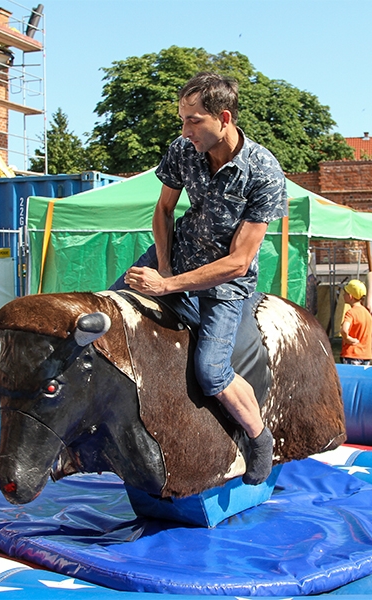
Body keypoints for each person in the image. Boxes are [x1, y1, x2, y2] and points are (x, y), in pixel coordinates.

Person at [116, 72, 287, 485]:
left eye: (194, 120)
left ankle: (258, 437)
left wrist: (167, 286)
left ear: (223, 118)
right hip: (173, 259)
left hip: (225, 284)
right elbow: (163, 211)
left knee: (211, 372)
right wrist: (164, 266)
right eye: (182, 119)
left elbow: (239, 262)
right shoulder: (182, 149)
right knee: (107, 316)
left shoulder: (264, 173)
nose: (185, 130)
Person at [340, 279, 372, 366]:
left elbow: (344, 330)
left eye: (345, 293)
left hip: (352, 354)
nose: (343, 295)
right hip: (366, 355)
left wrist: (347, 338)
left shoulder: (351, 313)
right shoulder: (367, 313)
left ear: (350, 296)